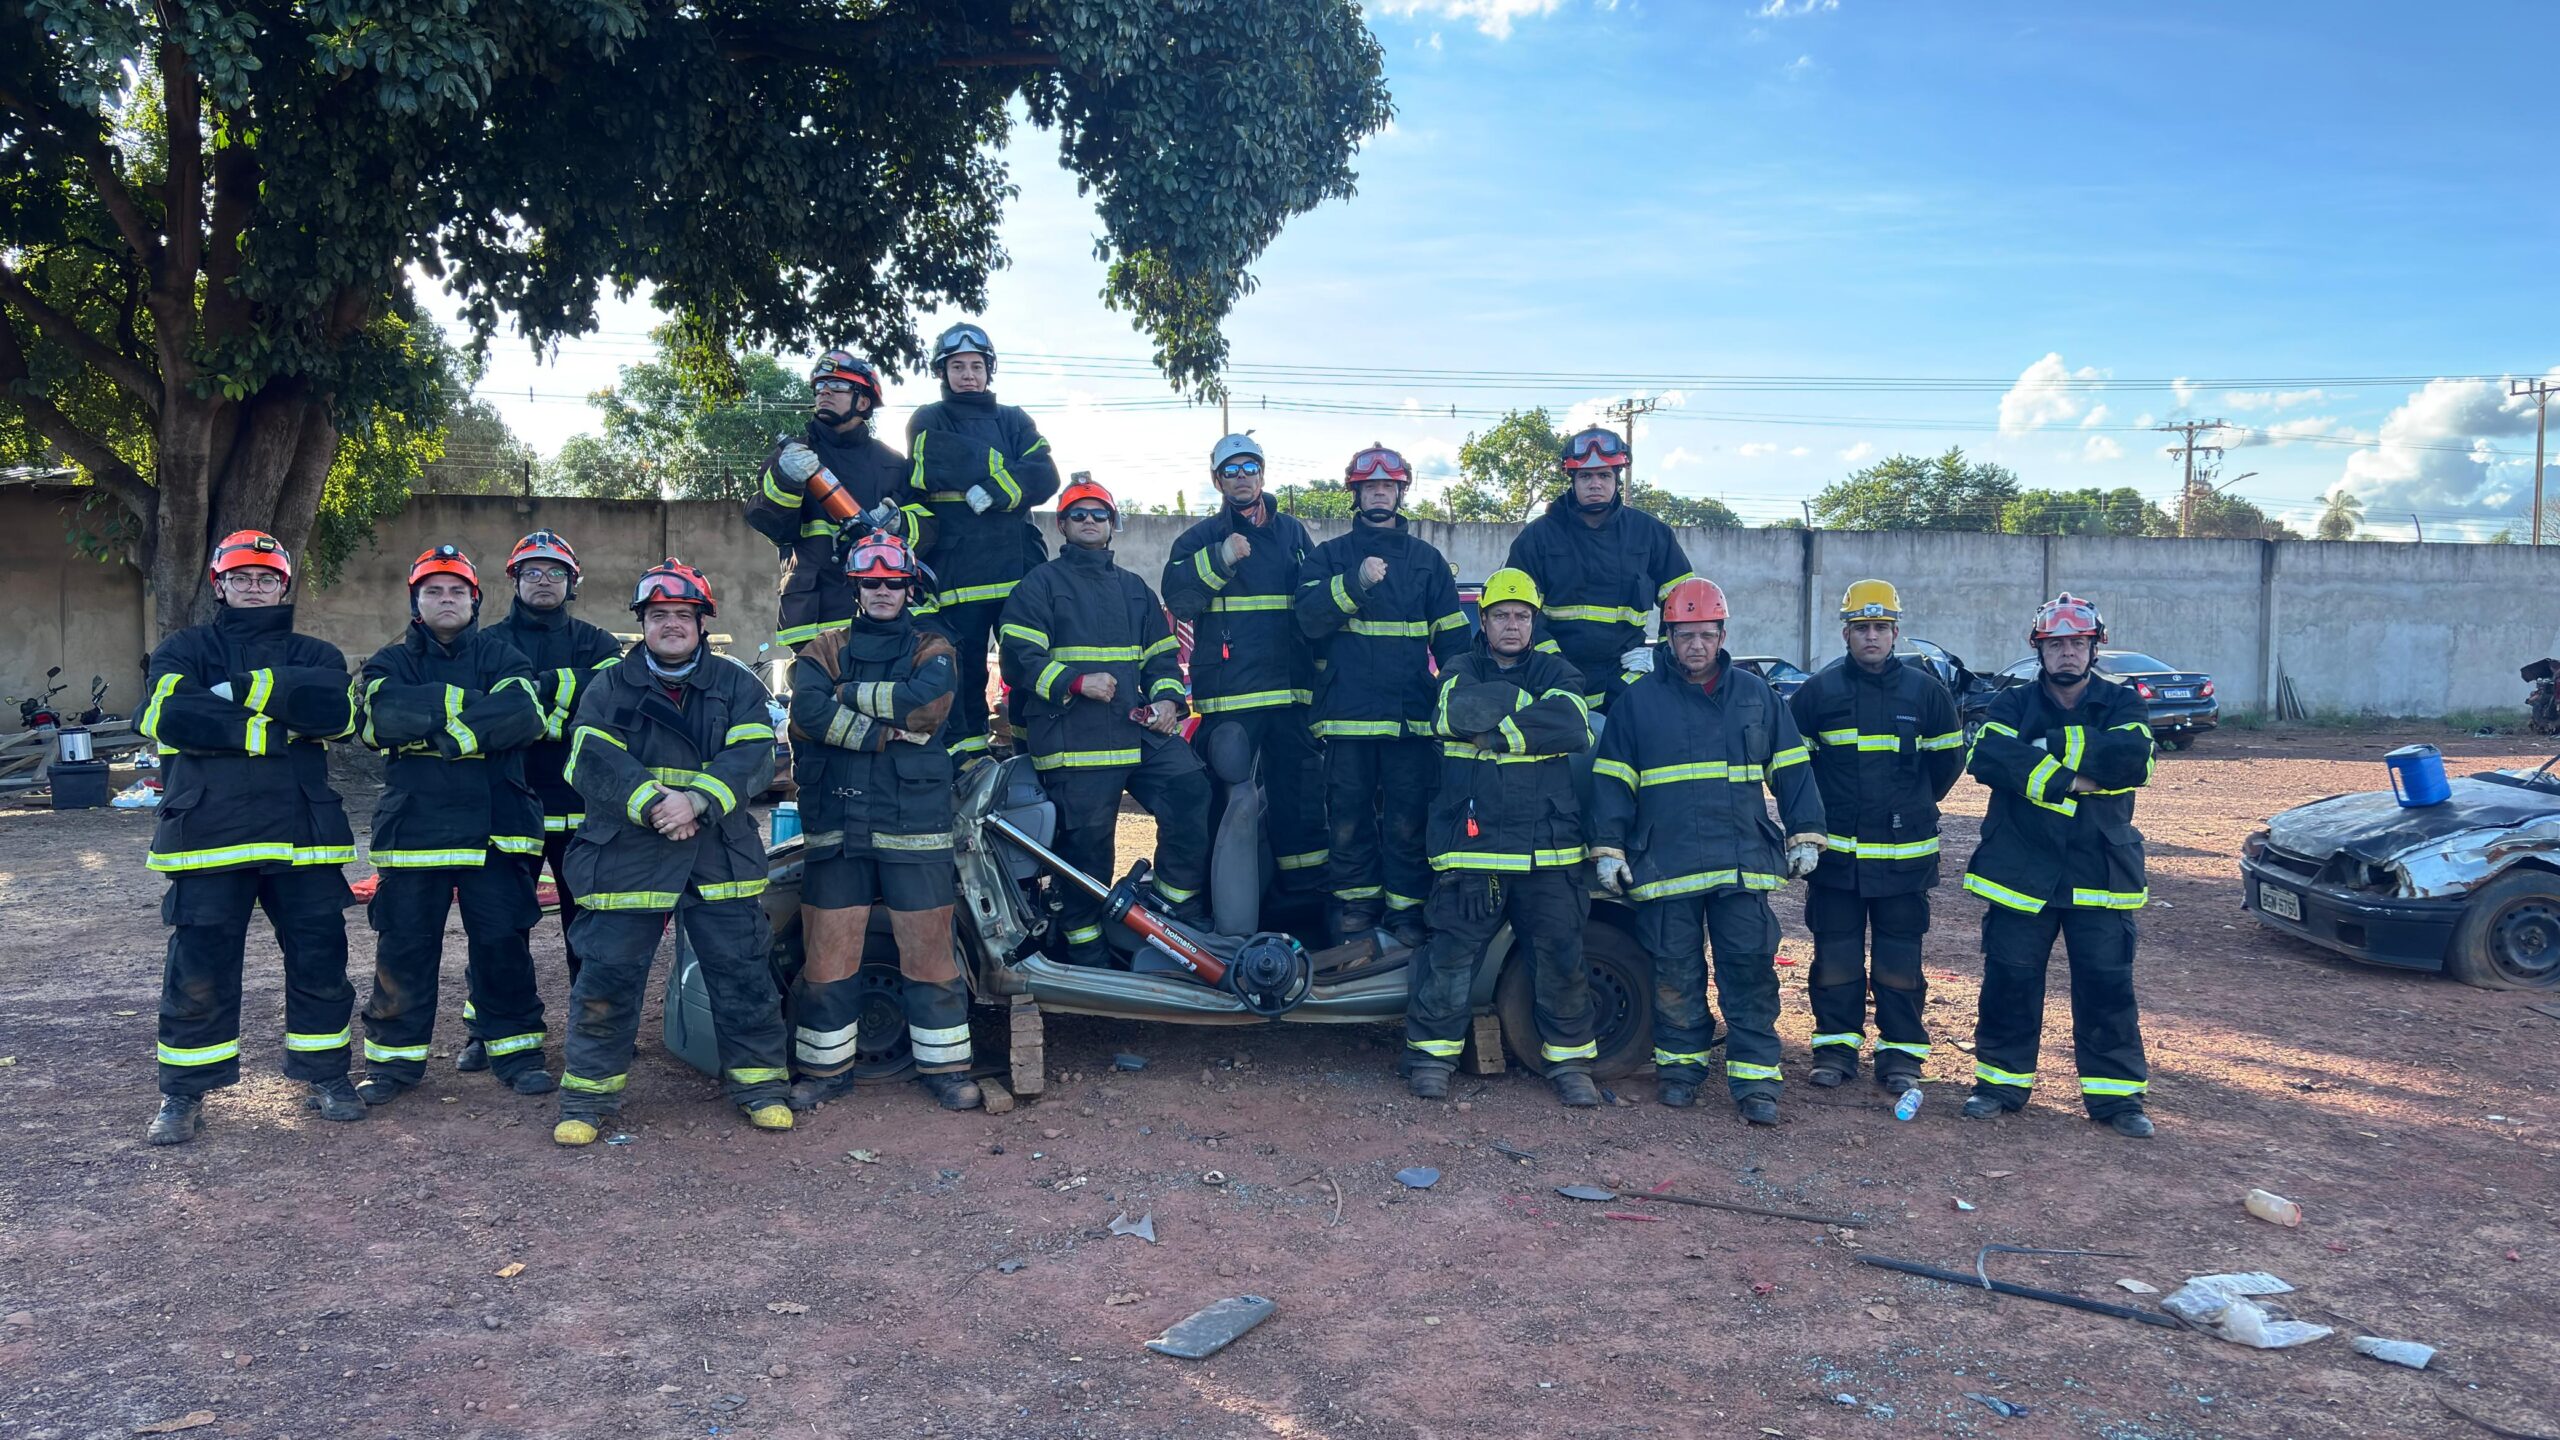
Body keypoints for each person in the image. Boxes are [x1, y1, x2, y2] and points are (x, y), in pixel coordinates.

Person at [136, 530, 365, 1145]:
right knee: (198, 968)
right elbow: (165, 716)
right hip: (208, 836)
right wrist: (274, 728)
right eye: (242, 578)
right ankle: (182, 1094)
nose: (255, 587)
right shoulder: (181, 648)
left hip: (302, 836)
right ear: (220, 584)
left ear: (284, 585)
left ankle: (327, 1076)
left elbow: (336, 715)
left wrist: (229, 706)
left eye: (267, 578)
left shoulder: (317, 653)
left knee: (321, 961)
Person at [553, 560, 792, 1144]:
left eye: (682, 616)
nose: (670, 626)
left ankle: (761, 1088)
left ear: (701, 624)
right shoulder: (611, 683)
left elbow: (756, 753)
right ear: (643, 624)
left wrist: (697, 801)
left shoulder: (737, 683)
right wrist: (653, 803)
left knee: (741, 973)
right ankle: (586, 1099)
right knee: (607, 976)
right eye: (658, 616)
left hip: (716, 849)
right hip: (630, 849)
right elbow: (589, 755)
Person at [1588, 578, 1826, 1126]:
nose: (1696, 645)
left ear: (1722, 634)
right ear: (1666, 638)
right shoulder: (1638, 702)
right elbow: (1612, 781)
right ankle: (1681, 1071)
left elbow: (1791, 768)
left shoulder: (1755, 695)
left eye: (1706, 634)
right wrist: (1608, 848)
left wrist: (1806, 832)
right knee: (1674, 972)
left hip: (1740, 860)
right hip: (1664, 863)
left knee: (1748, 970)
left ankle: (1756, 1080)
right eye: (1685, 635)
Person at [785, 533, 980, 1113]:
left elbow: (928, 706)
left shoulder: (932, 644)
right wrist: (881, 733)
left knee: (929, 953)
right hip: (838, 826)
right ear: (856, 587)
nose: (882, 591)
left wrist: (849, 696)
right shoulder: (825, 645)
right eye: (871, 582)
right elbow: (808, 709)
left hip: (913, 825)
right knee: (828, 954)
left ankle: (946, 1070)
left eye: (893, 582)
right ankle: (825, 1072)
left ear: (908, 585)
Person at [353, 545, 552, 1104]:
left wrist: (437, 733)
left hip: (498, 825)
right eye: (434, 591)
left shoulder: (503, 652)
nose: (447, 600)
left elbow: (524, 717)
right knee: (405, 947)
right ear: (416, 603)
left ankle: (515, 1052)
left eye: (457, 591)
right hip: (416, 828)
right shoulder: (390, 662)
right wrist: (471, 711)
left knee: (502, 943)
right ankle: (392, 1065)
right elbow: (380, 720)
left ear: (476, 601)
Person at [1960, 593, 2158, 1139]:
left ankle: (2117, 1098)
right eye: (2056, 644)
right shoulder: (2010, 702)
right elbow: (1986, 756)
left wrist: (2042, 757)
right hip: (2020, 870)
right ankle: (1999, 1085)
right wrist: (2076, 777)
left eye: (2077, 643)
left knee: (2107, 985)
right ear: (2038, 649)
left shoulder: (2124, 703)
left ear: (2095, 647)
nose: (2067, 653)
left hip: (2100, 872)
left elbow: (2131, 760)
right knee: (2009, 982)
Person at [1401, 569, 1600, 1107]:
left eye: (1521, 616)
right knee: (1450, 957)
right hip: (1475, 848)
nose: (1511, 625)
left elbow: (1572, 725)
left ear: (1533, 622)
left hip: (1548, 850)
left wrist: (1499, 731)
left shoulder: (1560, 669)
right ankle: (1431, 1058)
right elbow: (1455, 712)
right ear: (1483, 620)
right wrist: (1525, 709)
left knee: (1560, 956)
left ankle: (1571, 1064)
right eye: (1501, 616)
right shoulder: (1459, 667)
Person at [998, 478, 1211, 964]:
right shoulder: (1040, 585)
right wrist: (1075, 681)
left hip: (1134, 727)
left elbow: (1162, 658)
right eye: (1079, 515)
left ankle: (1169, 903)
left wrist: (1167, 703)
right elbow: (1018, 657)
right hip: (1074, 736)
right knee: (1088, 849)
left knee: (1190, 787)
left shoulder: (1134, 588)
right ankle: (1084, 947)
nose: (1090, 521)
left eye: (1099, 514)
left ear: (1112, 525)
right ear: (1063, 526)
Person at [1787, 580, 1966, 1100]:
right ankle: (1835, 1052)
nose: (1871, 637)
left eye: (1881, 628)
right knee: (1835, 960)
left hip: (1905, 859)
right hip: (1837, 861)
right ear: (1846, 632)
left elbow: (1946, 765)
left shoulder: (1926, 693)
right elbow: (1795, 770)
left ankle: (1901, 1057)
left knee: (1899, 965)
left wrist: (1909, 809)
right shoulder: (1817, 693)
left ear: (1895, 632)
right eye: (1861, 628)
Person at [1293, 444, 1470, 948]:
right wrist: (1355, 583)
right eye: (1370, 486)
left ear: (1400, 492)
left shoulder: (1427, 562)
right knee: (1347, 822)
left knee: (1407, 822)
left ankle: (1406, 914)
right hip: (1346, 720)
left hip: (1408, 720)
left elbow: (1454, 642)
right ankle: (1355, 912)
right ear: (1355, 492)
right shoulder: (1329, 558)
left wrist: (1456, 697)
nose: (1379, 492)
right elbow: (1308, 621)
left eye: (1387, 486)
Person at [1159, 433, 1327, 887]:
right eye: (1230, 471)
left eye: (1249, 468)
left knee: (1300, 799)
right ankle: (1212, 900)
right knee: (1221, 800)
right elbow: (1178, 597)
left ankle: (1302, 897)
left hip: (1291, 694)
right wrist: (1221, 558)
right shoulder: (1199, 539)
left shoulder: (1292, 532)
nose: (1241, 478)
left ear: (1262, 473)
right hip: (1231, 699)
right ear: (1217, 480)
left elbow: (1313, 605)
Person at [480, 530, 625, 1043]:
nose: (545, 581)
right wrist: (563, 699)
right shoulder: (486, 643)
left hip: (584, 812)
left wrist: (532, 704)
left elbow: (609, 709)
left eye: (556, 572)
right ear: (514, 580)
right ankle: (492, 1033)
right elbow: (490, 718)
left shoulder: (601, 644)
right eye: (532, 572)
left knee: (587, 927)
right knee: (499, 929)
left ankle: (593, 1032)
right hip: (507, 809)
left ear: (573, 582)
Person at [906, 323, 1061, 762]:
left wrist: (997, 487)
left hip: (1018, 574)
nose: (968, 375)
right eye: (958, 366)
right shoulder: (928, 418)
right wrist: (1010, 470)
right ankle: (969, 768)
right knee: (965, 673)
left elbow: (1046, 474)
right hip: (958, 577)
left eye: (976, 366)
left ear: (989, 371)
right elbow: (933, 458)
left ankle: (1037, 761)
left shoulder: (1013, 417)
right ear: (943, 372)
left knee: (1028, 667)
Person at [1504, 426, 1696, 711]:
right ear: (1572, 480)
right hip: (1552, 677)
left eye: (1604, 475)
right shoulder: (1538, 537)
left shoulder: (1651, 534)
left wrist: (1663, 654)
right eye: (1586, 476)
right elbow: (1517, 610)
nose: (1595, 483)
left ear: (1617, 479)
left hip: (1629, 677)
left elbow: (1687, 605)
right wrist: (1551, 662)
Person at [746, 349, 928, 649]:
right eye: (820, 386)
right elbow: (769, 524)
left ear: (864, 401)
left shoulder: (892, 463)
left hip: (881, 613)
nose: (826, 392)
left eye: (839, 386)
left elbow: (929, 523)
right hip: (813, 615)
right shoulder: (793, 456)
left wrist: (902, 523)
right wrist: (786, 480)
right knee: (814, 696)